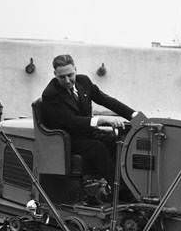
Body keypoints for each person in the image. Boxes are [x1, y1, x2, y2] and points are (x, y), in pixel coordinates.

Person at [38, 54, 137, 183]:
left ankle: (122, 185)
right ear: (55, 74)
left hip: (87, 133)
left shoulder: (83, 81)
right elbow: (70, 121)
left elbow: (105, 100)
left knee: (117, 141)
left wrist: (133, 115)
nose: (67, 80)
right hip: (67, 140)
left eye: (70, 75)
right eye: (62, 77)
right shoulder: (50, 94)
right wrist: (101, 120)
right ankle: (121, 193)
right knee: (98, 148)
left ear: (75, 70)